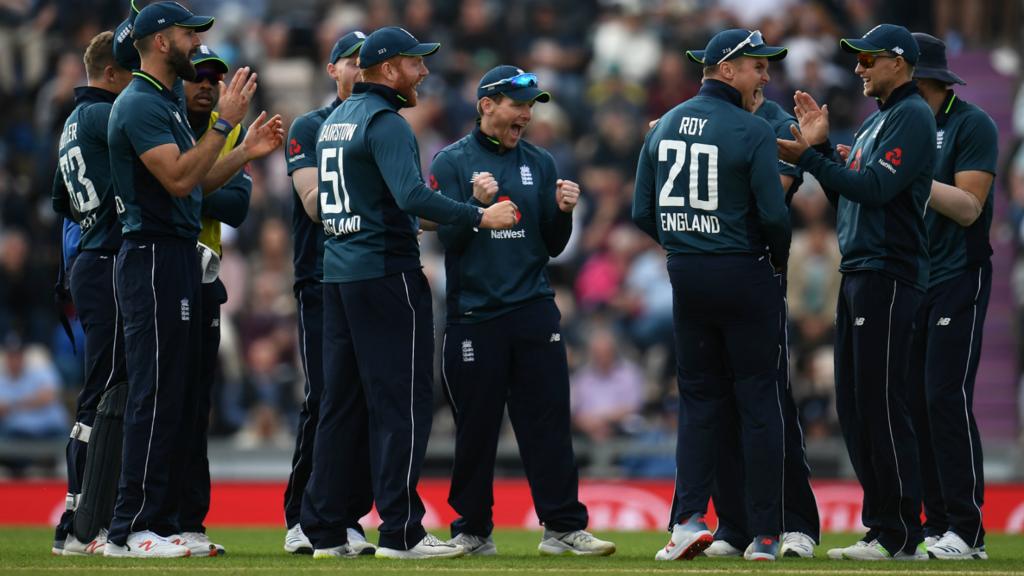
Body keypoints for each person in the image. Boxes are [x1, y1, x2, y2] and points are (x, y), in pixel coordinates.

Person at [300, 26, 517, 560]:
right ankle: (401, 531)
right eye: (415, 63)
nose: (423, 72)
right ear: (389, 68)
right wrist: (477, 214)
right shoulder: (386, 122)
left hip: (339, 274)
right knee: (404, 404)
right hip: (386, 274)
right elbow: (410, 194)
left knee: (340, 405)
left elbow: (377, 200)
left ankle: (326, 529)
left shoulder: (337, 121)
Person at [104, 1, 280, 558]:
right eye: (187, 34)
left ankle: (162, 520)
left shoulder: (163, 103)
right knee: (156, 394)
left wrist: (244, 150)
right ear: (160, 41)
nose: (193, 43)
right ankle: (131, 528)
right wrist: (225, 124)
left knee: (176, 394)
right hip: (153, 255)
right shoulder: (139, 105)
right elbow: (181, 181)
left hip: (177, 256)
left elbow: (198, 179)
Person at [430, 64, 616, 557]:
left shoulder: (542, 162)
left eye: (532, 105)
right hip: (475, 315)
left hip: (534, 308)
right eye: (518, 104)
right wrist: (474, 206)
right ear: (486, 104)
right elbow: (443, 236)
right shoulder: (451, 162)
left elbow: (553, 247)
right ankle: (472, 531)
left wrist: (564, 213)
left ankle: (562, 528)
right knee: (477, 428)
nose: (527, 114)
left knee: (549, 423)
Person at [632, 29, 791, 562]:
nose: (765, 75)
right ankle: (766, 535)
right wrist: (773, 259)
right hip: (744, 273)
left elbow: (641, 212)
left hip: (687, 275)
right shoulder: (751, 130)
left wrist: (686, 246)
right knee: (758, 404)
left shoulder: (663, 125)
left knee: (699, 403)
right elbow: (773, 216)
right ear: (727, 69)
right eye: (757, 66)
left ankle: (688, 520)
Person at [777, 24, 934, 560]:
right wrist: (822, 150)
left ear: (899, 61)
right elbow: (858, 195)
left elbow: (874, 189)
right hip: (861, 270)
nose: (859, 69)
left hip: (889, 273)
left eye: (868, 60)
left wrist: (810, 159)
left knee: (882, 404)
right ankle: (881, 525)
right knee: (856, 403)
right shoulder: (879, 122)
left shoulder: (911, 116)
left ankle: (900, 533)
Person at [705, 83, 820, 560]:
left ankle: (796, 524)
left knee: (770, 406)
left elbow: (775, 195)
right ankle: (734, 524)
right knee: (719, 407)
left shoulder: (777, 124)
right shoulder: (705, 120)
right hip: (712, 274)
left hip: (757, 272)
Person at [175, 42, 279, 557]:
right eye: (196, 76)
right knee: (160, 401)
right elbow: (169, 188)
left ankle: (188, 522)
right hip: (162, 273)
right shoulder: (163, 120)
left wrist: (188, 181)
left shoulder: (227, 128)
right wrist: (198, 180)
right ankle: (145, 517)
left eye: (213, 79)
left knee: (196, 407)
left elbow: (237, 206)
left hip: (204, 276)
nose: (205, 85)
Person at [281, 30, 375, 557]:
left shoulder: (381, 124)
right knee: (325, 396)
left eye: (367, 62)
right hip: (319, 277)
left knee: (361, 398)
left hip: (364, 276)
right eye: (351, 61)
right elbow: (314, 204)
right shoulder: (309, 127)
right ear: (331, 70)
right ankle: (302, 513)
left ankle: (347, 514)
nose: (360, 70)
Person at [906, 32, 996, 561]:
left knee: (944, 396)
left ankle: (969, 530)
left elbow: (968, 207)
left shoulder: (970, 123)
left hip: (959, 272)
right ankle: (937, 524)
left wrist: (908, 177)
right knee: (916, 400)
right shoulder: (899, 124)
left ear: (923, 80)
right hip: (914, 275)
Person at [48, 29, 133, 556]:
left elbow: (62, 199)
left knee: (101, 385)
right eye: (129, 71)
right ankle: (83, 518)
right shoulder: (106, 116)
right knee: (106, 390)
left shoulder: (72, 124)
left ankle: (82, 508)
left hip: (86, 262)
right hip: (106, 262)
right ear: (110, 73)